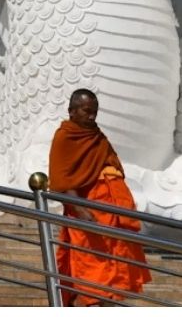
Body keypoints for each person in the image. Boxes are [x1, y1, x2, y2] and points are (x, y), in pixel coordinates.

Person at [48, 89, 151, 306]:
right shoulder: (65, 136)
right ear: (72, 111)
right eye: (87, 111)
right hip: (89, 210)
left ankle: (108, 301)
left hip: (112, 211)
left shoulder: (96, 135)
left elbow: (112, 164)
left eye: (95, 112)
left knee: (115, 263)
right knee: (91, 262)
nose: (92, 116)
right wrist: (81, 209)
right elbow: (63, 179)